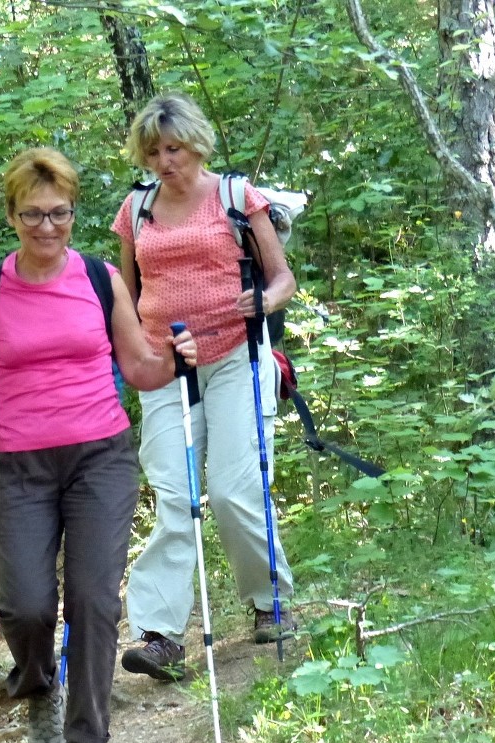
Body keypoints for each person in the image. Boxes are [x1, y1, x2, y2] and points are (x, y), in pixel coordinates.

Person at [0, 147, 196, 743]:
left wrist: (178, 362)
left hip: (100, 456)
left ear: (74, 211)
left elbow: (141, 368)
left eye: (60, 213)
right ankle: (38, 686)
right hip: (19, 466)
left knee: (95, 601)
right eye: (33, 215)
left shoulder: (102, 279)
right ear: (12, 216)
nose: (48, 227)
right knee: (26, 607)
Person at [112, 92, 297, 684]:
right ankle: (160, 635)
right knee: (174, 494)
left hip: (236, 354)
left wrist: (263, 301)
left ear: (196, 144)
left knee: (231, 489)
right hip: (165, 364)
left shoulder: (237, 198)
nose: (166, 161)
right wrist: (130, 352)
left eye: (175, 148)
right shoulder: (136, 209)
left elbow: (281, 277)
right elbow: (128, 292)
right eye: (155, 152)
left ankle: (270, 603)